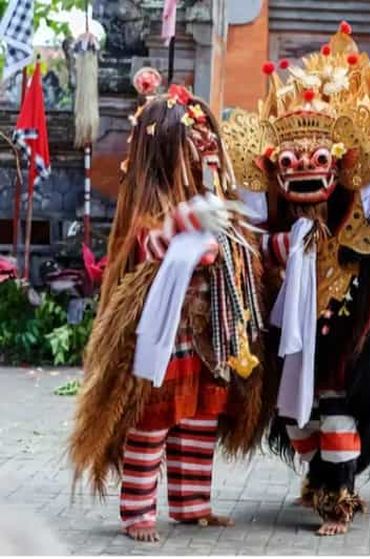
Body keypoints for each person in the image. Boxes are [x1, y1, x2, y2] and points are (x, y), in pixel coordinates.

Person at [222, 22, 370, 535]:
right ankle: (321, 473)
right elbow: (254, 236)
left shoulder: (366, 215)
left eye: (320, 160)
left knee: (337, 397)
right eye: (290, 161)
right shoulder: (275, 219)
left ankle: (340, 496)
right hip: (294, 312)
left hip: (348, 305)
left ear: (342, 165)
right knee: (295, 413)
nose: (305, 170)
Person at [68, 86, 274, 542]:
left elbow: (237, 251)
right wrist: (190, 223)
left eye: (206, 143)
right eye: (192, 145)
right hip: (167, 334)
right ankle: (138, 510)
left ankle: (191, 504)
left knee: (201, 418)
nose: (203, 152)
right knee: (153, 420)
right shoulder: (151, 215)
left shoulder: (219, 205)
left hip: (210, 334)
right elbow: (153, 247)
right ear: (165, 153)